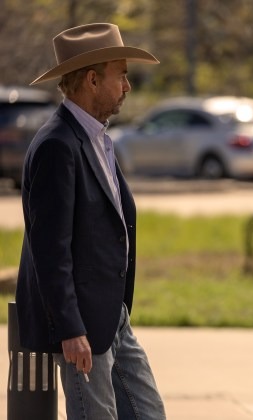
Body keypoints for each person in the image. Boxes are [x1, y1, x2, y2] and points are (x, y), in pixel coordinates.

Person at [16, 23, 166, 419]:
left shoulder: (97, 138)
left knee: (149, 414)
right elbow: (50, 251)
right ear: (93, 80)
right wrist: (70, 329)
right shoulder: (57, 145)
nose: (128, 86)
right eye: (122, 75)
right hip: (81, 324)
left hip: (111, 315)